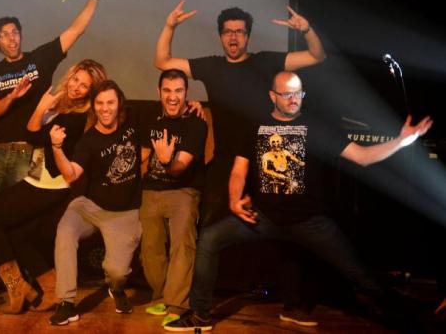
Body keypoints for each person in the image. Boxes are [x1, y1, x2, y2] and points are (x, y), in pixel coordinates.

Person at [163, 71, 433, 331]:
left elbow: (363, 156)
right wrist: (234, 199)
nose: (294, 99)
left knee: (360, 273)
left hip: (309, 221)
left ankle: (413, 317)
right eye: (287, 94)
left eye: (298, 94)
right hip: (263, 217)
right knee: (210, 239)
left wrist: (401, 141)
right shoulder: (255, 125)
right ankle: (200, 315)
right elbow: (238, 171)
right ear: (272, 96)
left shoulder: (317, 128)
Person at [0, 0, 104, 309]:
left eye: (15, 32)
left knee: (12, 225)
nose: (11, 37)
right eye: (4, 35)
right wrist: (15, 97)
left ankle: (29, 287)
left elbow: (75, 30)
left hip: (32, 157)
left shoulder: (40, 61)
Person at [154, 2, 327, 225]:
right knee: (209, 229)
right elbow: (162, 62)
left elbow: (316, 56)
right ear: (220, 36)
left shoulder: (265, 61)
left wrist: (307, 30)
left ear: (247, 36)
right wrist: (170, 26)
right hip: (224, 163)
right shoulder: (211, 66)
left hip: (262, 163)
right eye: (228, 31)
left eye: (240, 32)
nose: (233, 37)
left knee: (268, 228)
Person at [0, 59, 107, 313]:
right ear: (69, 76)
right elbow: (33, 132)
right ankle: (52, 288)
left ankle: (17, 287)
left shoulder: (77, 118)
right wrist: (44, 107)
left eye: (84, 86)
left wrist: (40, 108)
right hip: (39, 179)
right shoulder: (62, 105)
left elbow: (33, 135)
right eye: (75, 80)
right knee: (19, 237)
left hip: (49, 184)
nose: (76, 87)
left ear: (91, 92)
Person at [49, 80, 143, 326]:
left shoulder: (133, 121)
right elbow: (71, 174)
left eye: (110, 102)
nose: (105, 108)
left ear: (119, 103)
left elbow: (167, 112)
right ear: (94, 106)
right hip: (89, 206)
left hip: (124, 212)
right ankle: (66, 303)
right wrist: (57, 147)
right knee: (64, 231)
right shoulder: (88, 140)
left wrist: (192, 106)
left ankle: (116, 288)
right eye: (100, 103)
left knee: (117, 272)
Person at [140, 69, 207, 321]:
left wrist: (167, 160)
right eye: (167, 90)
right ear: (159, 92)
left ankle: (177, 305)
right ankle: (161, 297)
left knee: (182, 245)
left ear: (186, 93)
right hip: (151, 190)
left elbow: (179, 168)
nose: (172, 97)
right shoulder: (150, 116)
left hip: (183, 191)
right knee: (150, 248)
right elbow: (142, 154)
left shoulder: (196, 123)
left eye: (178, 91)